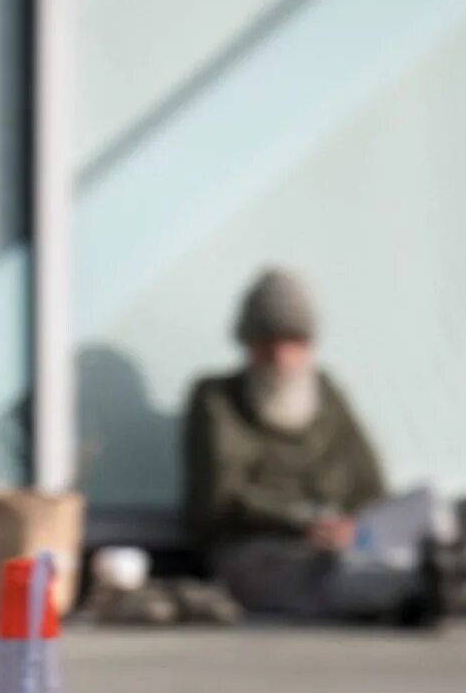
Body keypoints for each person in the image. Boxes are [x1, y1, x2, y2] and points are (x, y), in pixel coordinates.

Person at [179, 269, 446, 627]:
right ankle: (407, 592)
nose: (280, 355)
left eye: (293, 340)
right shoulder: (216, 400)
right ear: (247, 343)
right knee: (315, 575)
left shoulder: (328, 397)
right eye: (267, 340)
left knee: (372, 558)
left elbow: (369, 484)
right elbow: (217, 501)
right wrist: (304, 521)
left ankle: (429, 585)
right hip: (256, 550)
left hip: (343, 546)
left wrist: (352, 525)